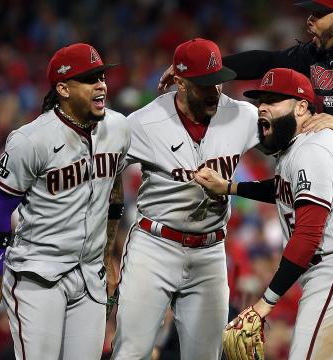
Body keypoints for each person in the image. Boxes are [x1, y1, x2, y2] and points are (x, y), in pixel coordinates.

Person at [160, 1, 333, 358]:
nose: (309, 19)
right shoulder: (314, 53)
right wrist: (201, 71)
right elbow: (265, 62)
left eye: (319, 13)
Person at [195, 67, 333, 359]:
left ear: (301, 108)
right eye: (261, 100)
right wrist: (230, 187)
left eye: (272, 100)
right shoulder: (303, 146)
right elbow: (285, 188)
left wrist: (264, 304)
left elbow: (308, 235)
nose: (262, 107)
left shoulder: (313, 148)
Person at [0, 43, 130, 359]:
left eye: (101, 76)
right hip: (37, 276)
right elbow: (0, 212)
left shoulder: (118, 127)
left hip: (88, 274)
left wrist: (108, 255)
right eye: (89, 79)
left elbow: (114, 192)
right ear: (63, 89)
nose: (101, 84)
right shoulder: (30, 140)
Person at [111, 38, 260, 359]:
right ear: (178, 82)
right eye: (204, 84)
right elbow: (104, 173)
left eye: (217, 82)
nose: (214, 91)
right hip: (154, 248)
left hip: (210, 252)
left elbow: (292, 131)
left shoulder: (243, 116)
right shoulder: (143, 123)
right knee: (131, 352)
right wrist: (106, 240)